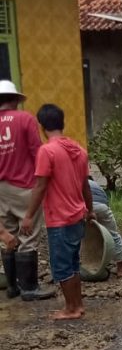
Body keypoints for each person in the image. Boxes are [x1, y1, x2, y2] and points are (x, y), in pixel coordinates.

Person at [20, 104, 93, 321]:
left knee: (62, 267)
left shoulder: (47, 151)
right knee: (73, 264)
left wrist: (28, 216)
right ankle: (77, 305)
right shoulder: (78, 150)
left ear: (42, 126)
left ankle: (71, 308)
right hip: (77, 216)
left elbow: (41, 185)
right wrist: (90, 210)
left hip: (59, 219)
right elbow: (85, 186)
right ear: (62, 123)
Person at [0, 78, 55, 301]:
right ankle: (30, 288)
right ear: (15, 99)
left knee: (9, 235)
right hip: (23, 186)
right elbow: (37, 153)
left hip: (0, 188)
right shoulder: (25, 119)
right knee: (28, 235)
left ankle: (12, 287)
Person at [88, 178, 122, 277]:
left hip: (84, 207)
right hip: (102, 207)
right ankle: (121, 270)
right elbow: (105, 201)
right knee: (114, 235)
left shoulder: (78, 181)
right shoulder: (96, 185)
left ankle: (83, 267)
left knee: (80, 236)